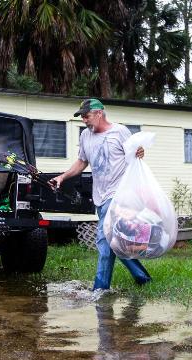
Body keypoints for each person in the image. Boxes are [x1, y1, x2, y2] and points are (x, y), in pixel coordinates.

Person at [49, 98, 151, 292]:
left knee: (104, 239)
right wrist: (62, 177)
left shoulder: (120, 131)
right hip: (100, 196)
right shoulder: (85, 136)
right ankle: (142, 278)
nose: (84, 121)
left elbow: (134, 156)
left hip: (119, 194)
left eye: (86, 116)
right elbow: (81, 163)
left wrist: (139, 152)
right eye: (82, 117)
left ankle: (99, 289)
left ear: (99, 113)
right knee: (116, 242)